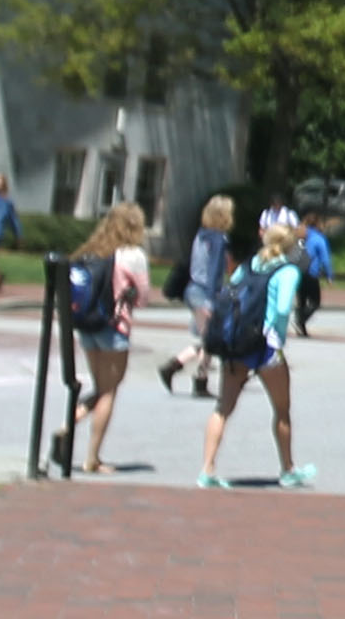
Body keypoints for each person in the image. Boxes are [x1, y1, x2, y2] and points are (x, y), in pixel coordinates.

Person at [196, 214, 314, 489]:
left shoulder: (248, 266)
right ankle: (287, 469)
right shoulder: (287, 271)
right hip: (266, 348)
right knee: (281, 409)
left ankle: (207, 469)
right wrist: (278, 332)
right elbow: (283, 308)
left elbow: (229, 294)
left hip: (235, 344)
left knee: (223, 408)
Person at [67, 202, 152, 476]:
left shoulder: (89, 251)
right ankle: (90, 455)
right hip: (114, 327)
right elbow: (143, 297)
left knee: (100, 386)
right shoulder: (133, 256)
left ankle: (70, 425)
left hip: (86, 326)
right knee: (108, 391)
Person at [155, 193, 237, 397]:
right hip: (204, 292)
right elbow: (213, 271)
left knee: (209, 339)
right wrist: (214, 298)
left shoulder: (201, 235)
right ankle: (177, 369)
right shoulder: (219, 239)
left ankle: (196, 377)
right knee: (210, 339)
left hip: (192, 289)